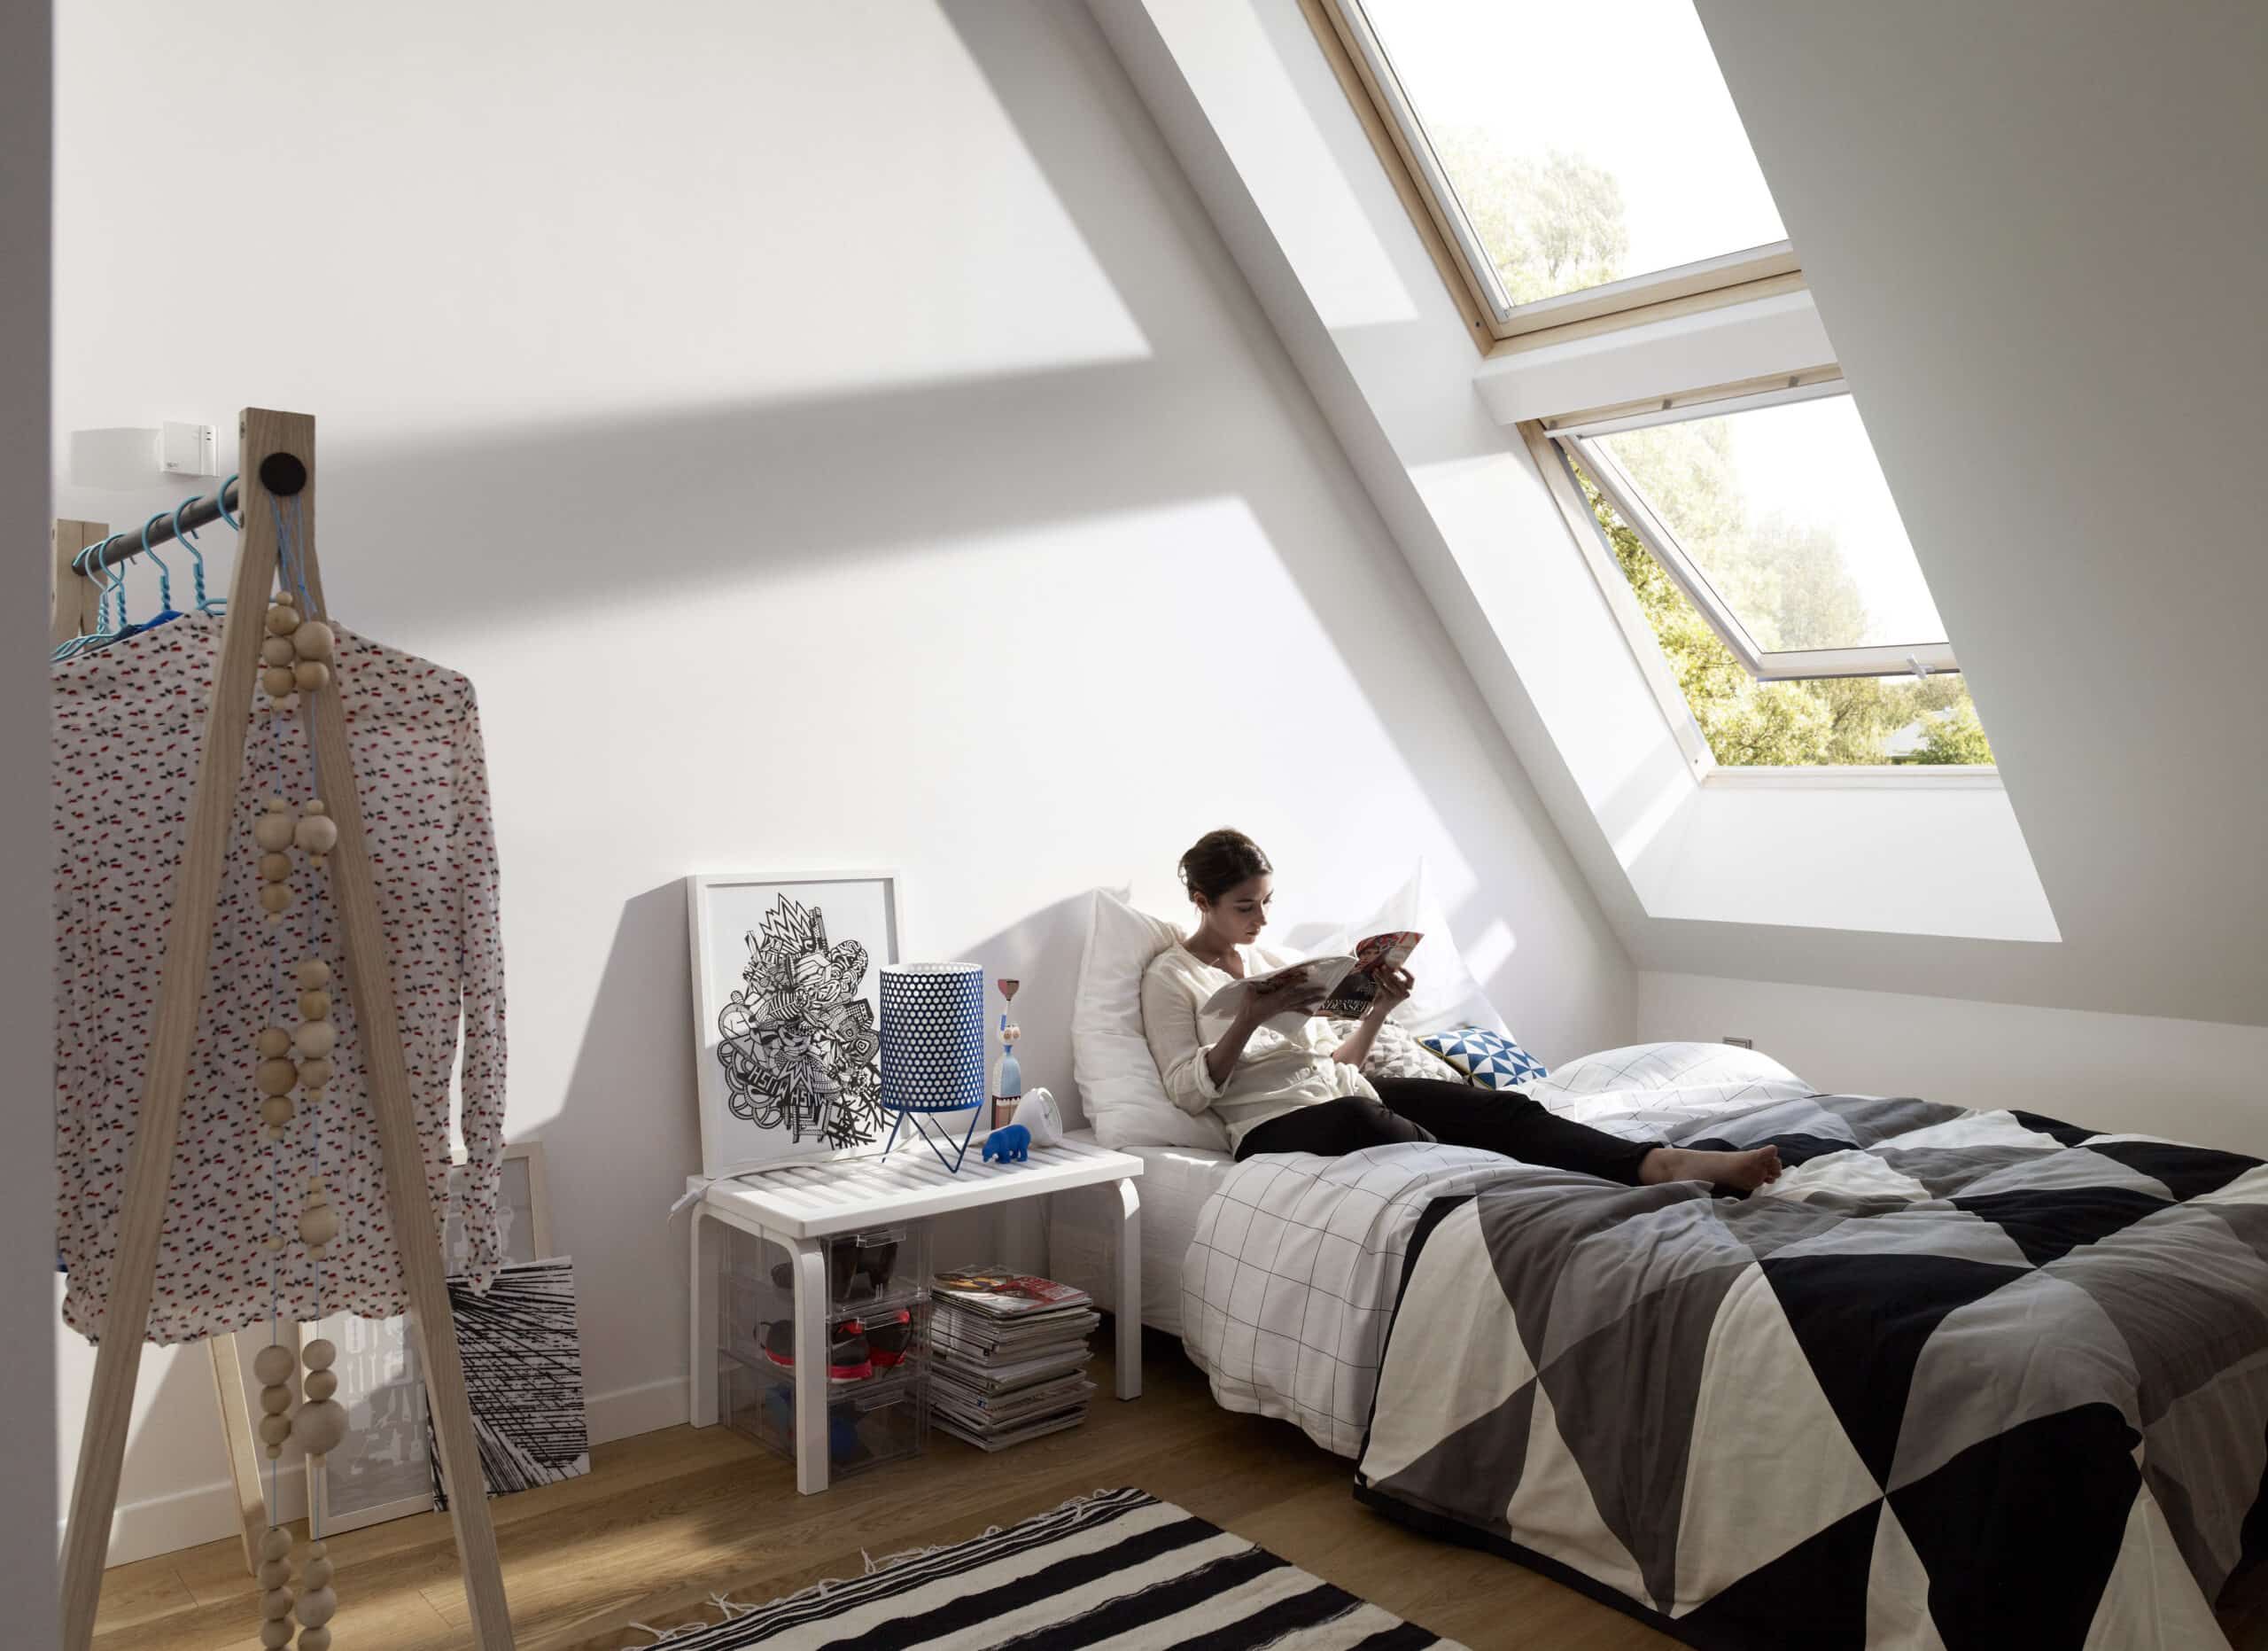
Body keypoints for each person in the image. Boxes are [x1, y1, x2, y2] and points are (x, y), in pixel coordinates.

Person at [1139, 829, 1783, 1191]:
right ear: (1201, 899)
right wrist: (1250, 1016)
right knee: (1369, 1116)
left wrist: (1376, 1012)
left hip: (1345, 1091)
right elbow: (1187, 1090)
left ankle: (1660, 1162)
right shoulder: (1171, 976)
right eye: (1244, 907)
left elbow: (1337, 1065)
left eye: (1266, 902)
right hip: (1269, 1127)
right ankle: (1540, 1183)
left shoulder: (1271, 959)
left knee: (1504, 1106)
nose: (1262, 919)